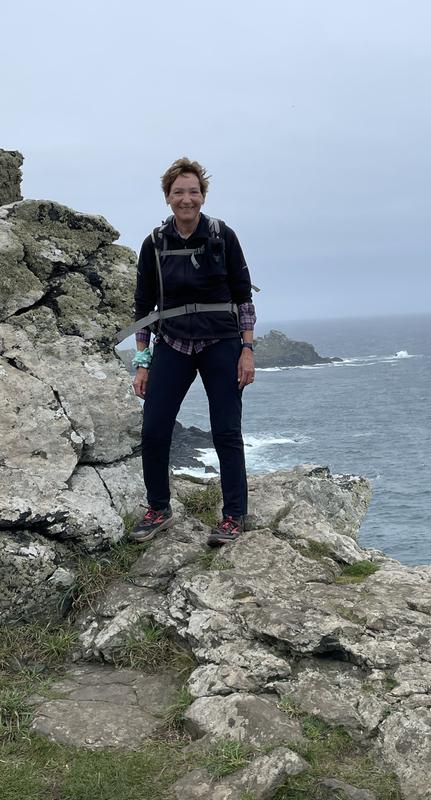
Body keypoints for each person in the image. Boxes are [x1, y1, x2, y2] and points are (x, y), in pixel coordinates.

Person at [128, 157, 255, 546]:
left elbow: (243, 297)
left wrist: (247, 350)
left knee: (226, 432)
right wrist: (142, 362)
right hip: (174, 345)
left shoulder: (222, 236)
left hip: (222, 344)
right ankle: (158, 509)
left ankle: (233, 516)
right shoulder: (153, 244)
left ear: (203, 196)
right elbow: (143, 308)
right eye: (179, 192)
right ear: (167, 197)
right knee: (153, 430)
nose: (187, 199)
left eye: (193, 192)